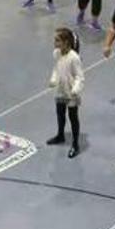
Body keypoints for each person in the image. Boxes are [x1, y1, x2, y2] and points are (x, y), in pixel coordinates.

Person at [47, 28, 84, 158]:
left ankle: (75, 144)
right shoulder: (57, 53)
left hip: (71, 91)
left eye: (57, 40)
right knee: (60, 113)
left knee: (73, 117)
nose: (54, 42)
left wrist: (75, 89)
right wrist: (53, 79)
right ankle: (60, 135)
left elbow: (80, 77)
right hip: (61, 90)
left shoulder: (74, 58)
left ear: (66, 42)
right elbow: (57, 69)